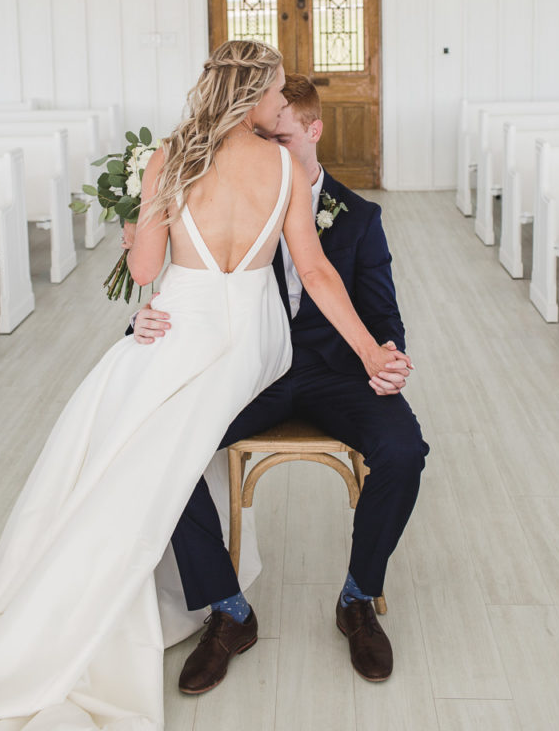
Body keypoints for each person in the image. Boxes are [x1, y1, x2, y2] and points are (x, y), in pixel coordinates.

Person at [0, 43, 396, 731]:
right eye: (277, 91)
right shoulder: (280, 165)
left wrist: (134, 232)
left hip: (182, 318)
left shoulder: (169, 159)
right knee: (138, 423)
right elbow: (316, 271)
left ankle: (193, 600)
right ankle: (210, 599)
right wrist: (370, 350)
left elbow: (148, 268)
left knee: (123, 419)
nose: (283, 102)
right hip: (255, 335)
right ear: (252, 95)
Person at [130, 73, 429, 692]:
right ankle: (228, 609)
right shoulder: (231, 182)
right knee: (163, 448)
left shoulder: (359, 216)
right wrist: (142, 318)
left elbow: (383, 312)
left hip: (336, 371)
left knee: (404, 450)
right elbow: (185, 278)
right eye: (261, 139)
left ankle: (358, 598)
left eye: (281, 139)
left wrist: (387, 357)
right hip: (248, 372)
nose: (266, 153)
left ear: (314, 132)